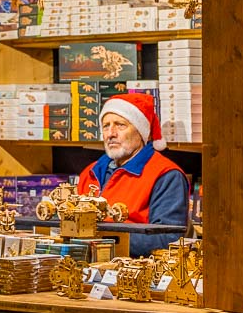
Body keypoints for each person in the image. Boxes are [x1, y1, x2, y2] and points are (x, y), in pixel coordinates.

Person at [77, 89, 189, 236]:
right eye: (106, 126)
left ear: (141, 132)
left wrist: (99, 237)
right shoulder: (90, 173)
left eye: (120, 125)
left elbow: (167, 239)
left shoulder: (166, 175)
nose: (111, 134)